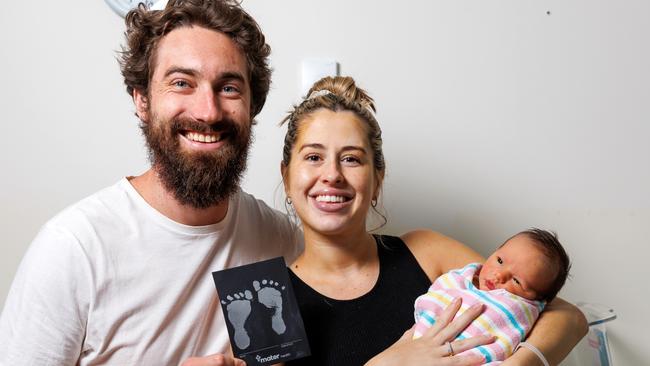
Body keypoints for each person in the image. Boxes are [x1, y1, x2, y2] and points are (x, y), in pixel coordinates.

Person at [0, 1, 300, 365]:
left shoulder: (280, 239)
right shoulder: (73, 250)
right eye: (181, 83)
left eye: (229, 88)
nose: (207, 110)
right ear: (142, 100)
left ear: (253, 106)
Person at [278, 76, 587, 365]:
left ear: (377, 179)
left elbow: (568, 316)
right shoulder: (268, 301)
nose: (332, 174)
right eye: (313, 157)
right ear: (286, 175)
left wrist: (520, 362)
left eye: (352, 159)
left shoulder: (425, 250)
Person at [413, 228, 571, 364]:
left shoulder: (517, 307)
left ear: (537, 300)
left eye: (516, 280)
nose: (499, 275)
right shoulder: (462, 278)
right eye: (500, 260)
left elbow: (572, 317)